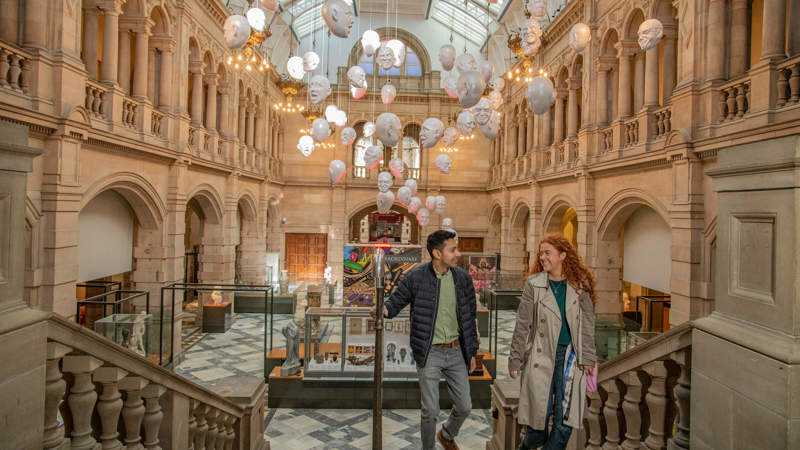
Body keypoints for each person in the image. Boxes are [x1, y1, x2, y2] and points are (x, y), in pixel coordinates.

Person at [372, 230, 479, 450]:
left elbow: (470, 318)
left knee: (465, 406)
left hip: (457, 351)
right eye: (453, 249)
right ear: (437, 253)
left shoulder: (463, 279)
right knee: (430, 410)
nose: (458, 254)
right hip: (430, 352)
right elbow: (396, 301)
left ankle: (447, 434)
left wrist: (473, 352)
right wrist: (382, 309)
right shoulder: (416, 276)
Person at [508, 233, 597, 450]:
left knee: (565, 423)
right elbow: (522, 324)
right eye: (541, 253)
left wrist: (588, 356)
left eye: (548, 253)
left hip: (571, 359)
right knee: (537, 423)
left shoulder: (580, 285)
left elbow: (587, 324)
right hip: (541, 356)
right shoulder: (534, 284)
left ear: (563, 255)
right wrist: (515, 358)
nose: (542, 257)